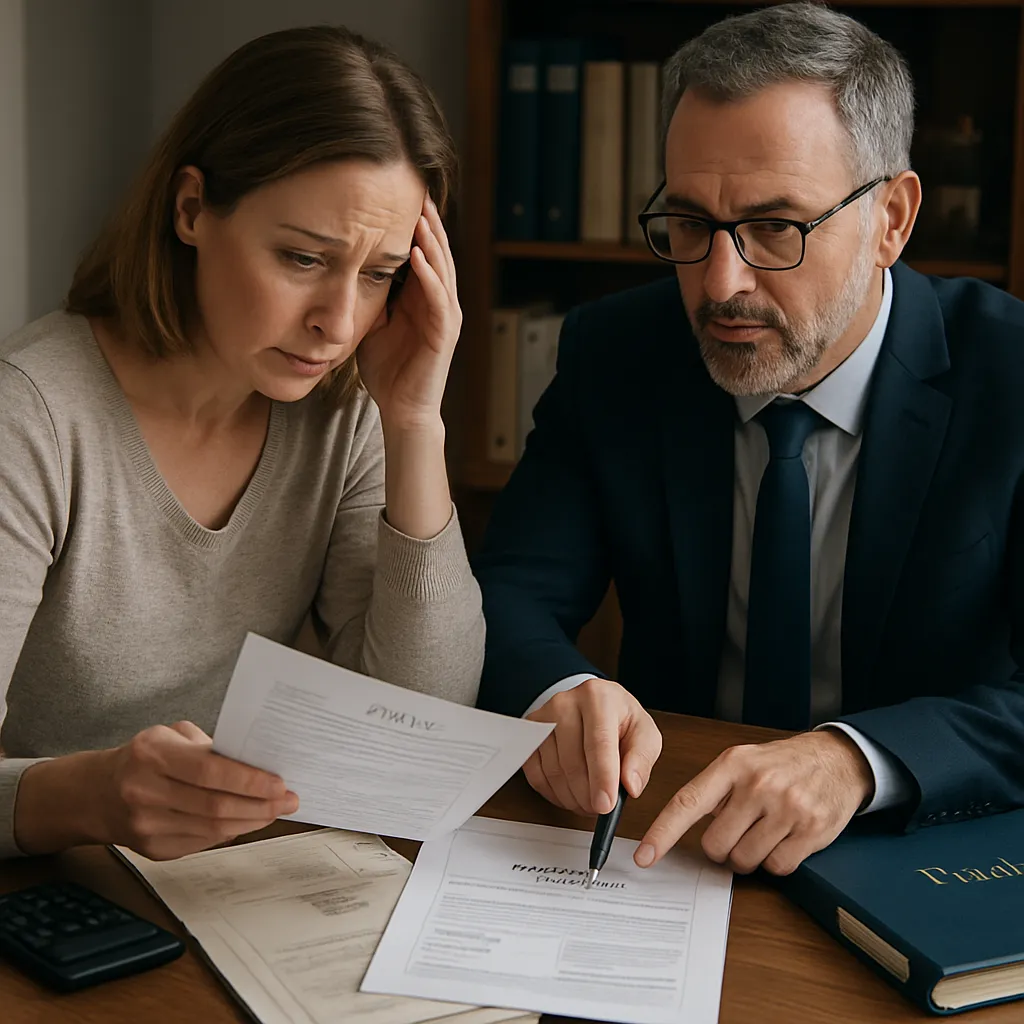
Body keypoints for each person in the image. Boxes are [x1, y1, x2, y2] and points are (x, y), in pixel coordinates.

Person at [474, 2, 1024, 877]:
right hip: (672, 842)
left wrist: (854, 758)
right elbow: (509, 592)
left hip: (928, 848)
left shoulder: (1012, 375)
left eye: (777, 227)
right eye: (689, 225)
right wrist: (560, 690)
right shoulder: (616, 353)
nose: (720, 283)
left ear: (892, 217)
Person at [0, 26, 483, 861]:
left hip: (227, 885)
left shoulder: (344, 411)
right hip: (42, 902)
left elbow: (421, 719)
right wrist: (88, 795)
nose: (337, 323)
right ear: (191, 209)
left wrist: (414, 422)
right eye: (302, 257)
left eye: (379, 275)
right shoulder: (32, 418)